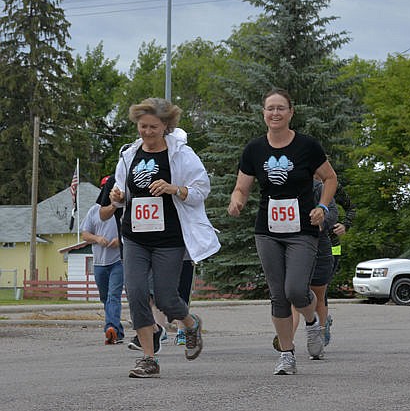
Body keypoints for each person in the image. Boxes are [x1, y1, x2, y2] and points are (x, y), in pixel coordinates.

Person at [228, 87, 338, 375]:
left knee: (295, 290)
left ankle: (313, 323)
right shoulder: (254, 149)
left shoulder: (307, 146)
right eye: (270, 108)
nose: (275, 113)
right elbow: (242, 186)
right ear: (263, 113)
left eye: (280, 108)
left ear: (291, 112)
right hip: (268, 230)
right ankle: (287, 354)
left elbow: (330, 179)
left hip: (302, 229)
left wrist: (323, 208)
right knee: (278, 294)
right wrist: (237, 201)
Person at [110, 97, 220, 378]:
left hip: (169, 238)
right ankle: (149, 359)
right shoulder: (129, 154)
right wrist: (118, 197)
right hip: (134, 236)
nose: (146, 132)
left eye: (153, 127)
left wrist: (175, 189)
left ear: (166, 126)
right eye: (142, 126)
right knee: (135, 294)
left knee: (166, 299)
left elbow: (201, 190)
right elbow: (122, 192)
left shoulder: (182, 155)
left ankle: (190, 323)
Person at [273, 176, 338, 357]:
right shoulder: (283, 186)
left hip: (319, 248)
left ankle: (320, 337)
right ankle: (287, 341)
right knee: (295, 296)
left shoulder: (318, 188)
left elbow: (333, 213)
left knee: (318, 295)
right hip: (293, 247)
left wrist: (321, 221)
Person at [81, 175, 124, 345]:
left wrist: (119, 242)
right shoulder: (94, 211)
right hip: (99, 263)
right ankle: (117, 332)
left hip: (118, 262)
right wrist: (97, 238)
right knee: (105, 298)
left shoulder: (122, 210)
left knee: (114, 296)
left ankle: (110, 328)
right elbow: (85, 234)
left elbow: (130, 232)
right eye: (105, 188)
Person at [325, 181, 356, 346]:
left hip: (332, 247)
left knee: (321, 288)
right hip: (307, 245)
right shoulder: (302, 182)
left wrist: (345, 225)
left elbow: (352, 207)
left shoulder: (333, 187)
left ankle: (323, 324)